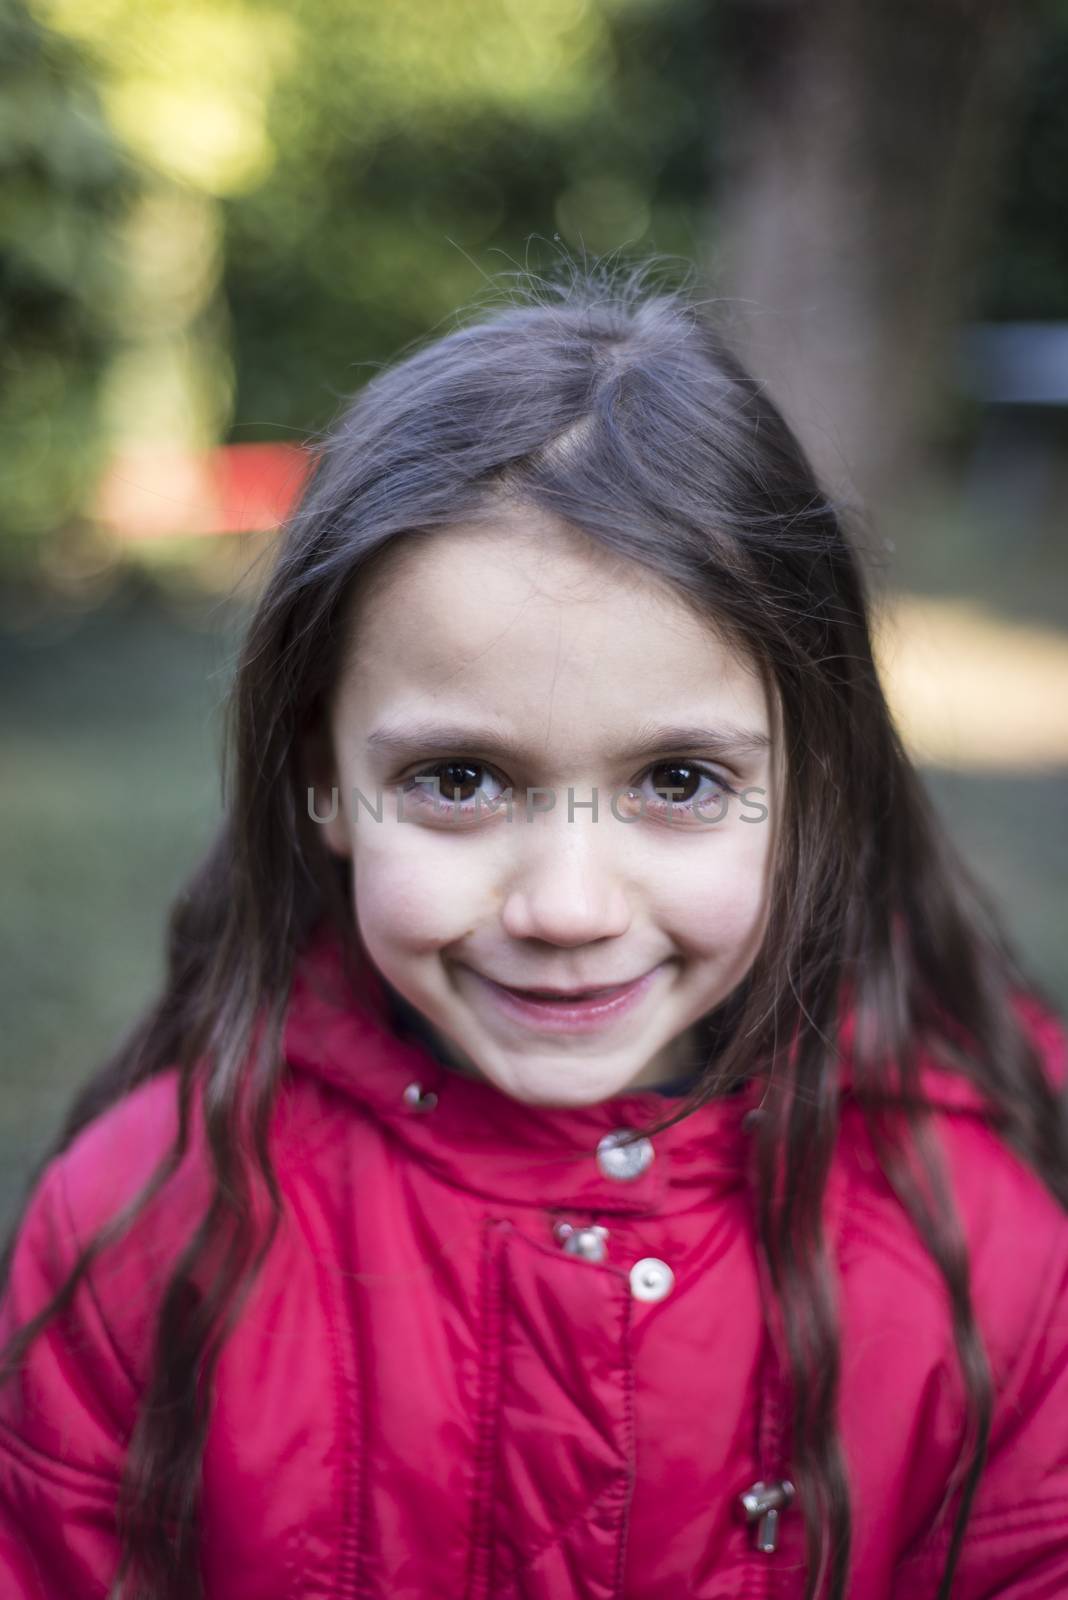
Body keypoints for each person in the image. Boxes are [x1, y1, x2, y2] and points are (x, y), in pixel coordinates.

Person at [1, 261, 1066, 1600]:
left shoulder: (985, 1255)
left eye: (679, 781)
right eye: (460, 779)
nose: (566, 907)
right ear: (319, 776)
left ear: (814, 786)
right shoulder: (146, 1224)